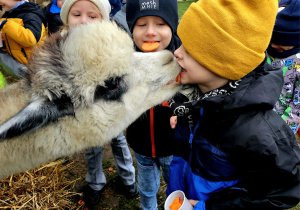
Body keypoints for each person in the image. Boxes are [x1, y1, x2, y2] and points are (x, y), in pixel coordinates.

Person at [167, 0, 300, 209]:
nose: (177, 52)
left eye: (190, 50)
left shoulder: (258, 132)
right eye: (182, 43)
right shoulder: (194, 98)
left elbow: (281, 196)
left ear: (223, 62)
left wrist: (209, 207)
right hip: (182, 192)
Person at [59, 0, 138, 207]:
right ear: (67, 18)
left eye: (92, 16)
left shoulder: (112, 42)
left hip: (110, 106)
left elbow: (123, 71)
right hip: (84, 109)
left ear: (102, 19)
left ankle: (128, 179)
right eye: (76, 15)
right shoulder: (61, 46)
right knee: (91, 146)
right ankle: (95, 182)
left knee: (118, 140)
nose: (84, 21)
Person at [125, 0, 181, 209]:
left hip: (173, 148)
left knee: (176, 188)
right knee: (147, 189)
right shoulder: (125, 63)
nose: (150, 32)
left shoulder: (183, 63)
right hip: (141, 147)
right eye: (141, 25)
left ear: (172, 27)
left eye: (160, 24)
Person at [266, 0, 300, 135]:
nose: (274, 45)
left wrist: (284, 132)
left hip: (281, 123)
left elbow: (296, 108)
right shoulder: (266, 51)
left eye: (283, 42)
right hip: (258, 113)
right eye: (272, 40)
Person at [0, 0, 47, 78]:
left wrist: (5, 25)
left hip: (33, 64)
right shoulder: (8, 15)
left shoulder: (31, 14)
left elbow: (31, 39)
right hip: (19, 61)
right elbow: (13, 39)